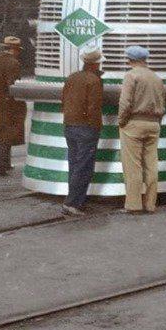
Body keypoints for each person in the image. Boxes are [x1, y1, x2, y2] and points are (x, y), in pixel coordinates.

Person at [118, 45, 165, 214]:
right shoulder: (156, 78)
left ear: (129, 60)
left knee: (133, 166)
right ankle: (151, 205)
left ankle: (133, 205)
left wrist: (121, 121)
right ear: (145, 60)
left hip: (134, 124)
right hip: (153, 124)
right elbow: (162, 104)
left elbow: (125, 103)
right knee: (151, 165)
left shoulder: (131, 76)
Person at [61, 48, 104, 215]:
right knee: (84, 167)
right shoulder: (94, 81)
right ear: (97, 63)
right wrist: (96, 126)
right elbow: (94, 107)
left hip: (69, 125)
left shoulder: (72, 77)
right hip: (86, 128)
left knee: (74, 164)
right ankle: (73, 203)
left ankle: (73, 200)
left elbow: (63, 100)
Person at [0, 36, 27, 176]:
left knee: (2, 130)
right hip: (12, 103)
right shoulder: (13, 63)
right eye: (18, 50)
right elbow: (13, 85)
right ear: (13, 49)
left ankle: (6, 163)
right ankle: (1, 165)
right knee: (8, 134)